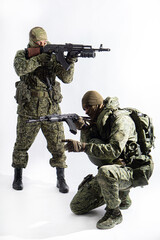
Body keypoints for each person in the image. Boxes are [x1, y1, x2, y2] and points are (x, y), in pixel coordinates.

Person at [63, 91, 154, 229]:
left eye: (88, 107)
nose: (86, 111)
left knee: (105, 173)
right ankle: (122, 196)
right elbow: (94, 143)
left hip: (134, 169)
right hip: (117, 166)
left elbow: (114, 150)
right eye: (84, 108)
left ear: (99, 104)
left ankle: (114, 213)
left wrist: (82, 147)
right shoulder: (101, 119)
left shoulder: (120, 120)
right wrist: (84, 128)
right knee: (77, 207)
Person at [12, 26, 77, 193]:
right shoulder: (23, 54)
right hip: (28, 108)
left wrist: (70, 60)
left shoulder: (53, 57)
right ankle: (17, 176)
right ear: (32, 42)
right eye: (39, 42)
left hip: (51, 107)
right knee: (21, 144)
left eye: (44, 41)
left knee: (58, 144)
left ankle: (61, 178)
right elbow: (20, 69)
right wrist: (40, 59)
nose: (42, 43)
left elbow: (67, 78)